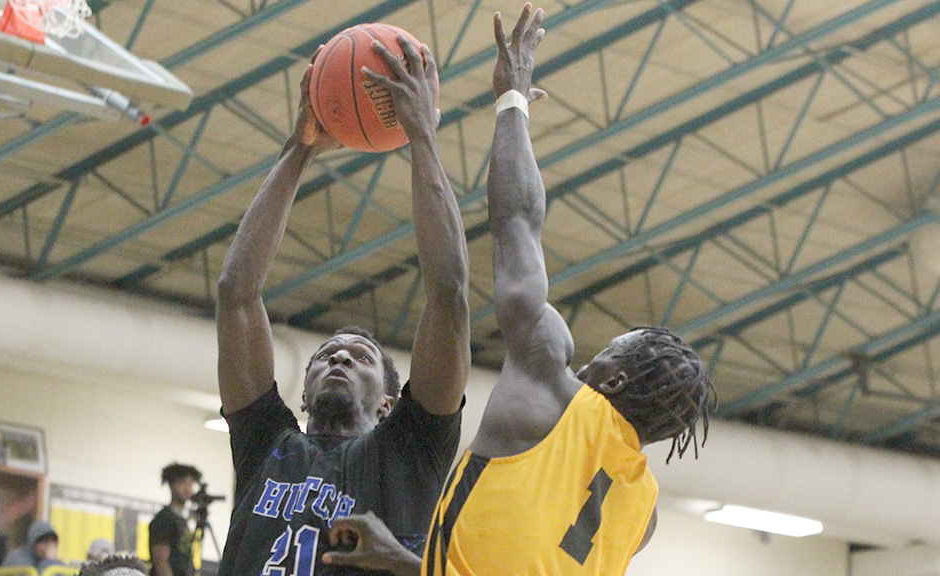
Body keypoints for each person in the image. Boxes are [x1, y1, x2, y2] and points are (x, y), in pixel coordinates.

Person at [418, 5, 715, 576]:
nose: (592, 357)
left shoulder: (550, 390)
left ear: (617, 377)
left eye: (610, 350)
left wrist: (512, 102)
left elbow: (516, 224)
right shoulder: (643, 514)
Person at [215, 29, 470, 576]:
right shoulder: (265, 444)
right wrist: (299, 147)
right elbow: (237, 293)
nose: (339, 358)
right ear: (301, 397)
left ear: (387, 403)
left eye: (360, 358)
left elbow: (448, 295)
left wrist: (422, 137)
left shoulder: (410, 449)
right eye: (327, 355)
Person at [149, 463, 201, 576]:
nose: (188, 488)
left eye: (190, 483)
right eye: (182, 482)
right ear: (172, 485)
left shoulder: (182, 519)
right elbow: (161, 561)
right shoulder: (164, 519)